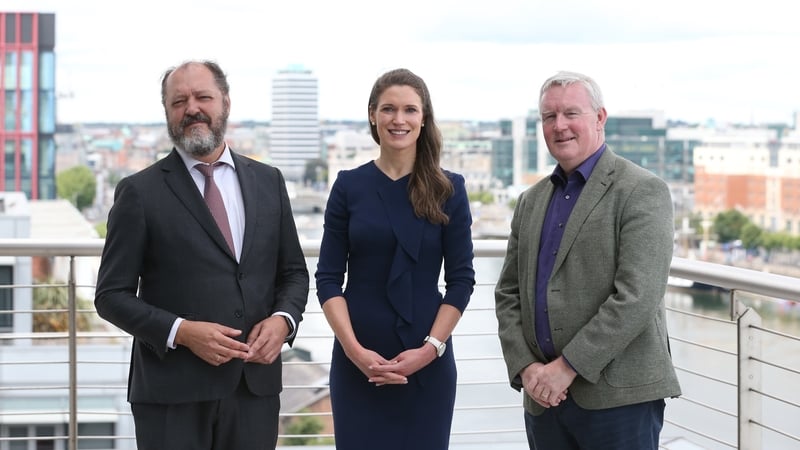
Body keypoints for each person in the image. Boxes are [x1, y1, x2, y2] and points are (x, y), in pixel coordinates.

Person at [94, 60, 309, 450]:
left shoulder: (269, 181)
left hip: (253, 391)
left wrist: (284, 321)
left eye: (203, 97)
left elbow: (293, 272)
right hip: (171, 396)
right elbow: (110, 296)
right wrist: (182, 332)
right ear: (167, 112)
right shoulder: (138, 192)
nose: (192, 108)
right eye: (179, 101)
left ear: (225, 102)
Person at [494, 70, 682, 450]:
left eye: (571, 113)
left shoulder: (642, 190)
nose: (559, 125)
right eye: (549, 116)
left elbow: (637, 297)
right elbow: (508, 293)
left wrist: (566, 368)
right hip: (543, 399)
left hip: (618, 401)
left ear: (599, 118)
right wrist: (527, 369)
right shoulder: (531, 201)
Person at [314, 68, 475, 450]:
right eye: (388, 109)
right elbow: (328, 279)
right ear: (372, 115)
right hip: (357, 365)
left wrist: (429, 350)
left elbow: (461, 281)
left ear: (424, 118)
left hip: (427, 365)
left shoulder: (449, 189)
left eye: (409, 110)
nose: (398, 119)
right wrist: (355, 352)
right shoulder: (348, 186)